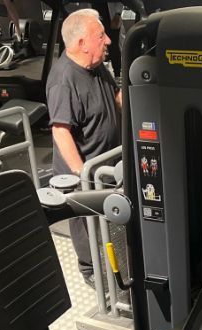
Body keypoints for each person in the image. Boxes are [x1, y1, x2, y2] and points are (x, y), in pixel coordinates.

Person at [46, 9, 121, 287]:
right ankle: (92, 274)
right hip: (84, 174)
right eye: (101, 36)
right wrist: (83, 174)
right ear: (82, 43)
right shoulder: (63, 80)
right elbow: (60, 131)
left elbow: (116, 97)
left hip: (107, 167)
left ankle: (115, 269)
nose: (108, 40)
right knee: (88, 230)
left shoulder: (96, 66)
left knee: (111, 227)